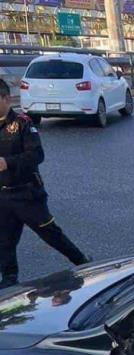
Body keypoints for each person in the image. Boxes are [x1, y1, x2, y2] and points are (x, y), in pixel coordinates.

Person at [0, 78, 89, 288]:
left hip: (27, 194)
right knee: (4, 240)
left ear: (6, 98)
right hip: (2, 196)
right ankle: (9, 280)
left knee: (51, 234)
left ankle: (83, 263)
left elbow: (37, 155)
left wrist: (8, 163)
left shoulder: (22, 123)